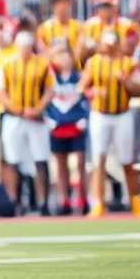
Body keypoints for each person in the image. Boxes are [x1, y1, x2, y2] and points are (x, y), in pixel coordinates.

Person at [80, 30, 140, 218]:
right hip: (100, 115)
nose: (108, 49)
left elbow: (138, 90)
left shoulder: (128, 64)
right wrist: (94, 92)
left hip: (122, 114)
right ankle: (98, 203)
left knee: (127, 161)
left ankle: (135, 202)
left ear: (118, 45)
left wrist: (125, 82)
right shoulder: (94, 62)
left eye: (111, 45)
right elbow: (82, 86)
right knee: (99, 160)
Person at [0, 31, 54, 215]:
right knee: (12, 160)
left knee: (40, 159)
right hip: (14, 117)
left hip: (36, 118)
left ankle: (43, 202)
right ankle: (13, 201)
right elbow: (1, 92)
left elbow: (50, 89)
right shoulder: (7, 64)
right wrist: (18, 110)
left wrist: (37, 109)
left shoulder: (42, 65)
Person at [47, 41, 88, 216]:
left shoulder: (79, 77)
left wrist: (84, 118)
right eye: (59, 55)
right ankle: (64, 200)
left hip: (76, 125)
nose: (63, 59)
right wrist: (49, 119)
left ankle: (83, 199)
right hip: (58, 125)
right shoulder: (50, 78)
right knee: (61, 165)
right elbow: (46, 99)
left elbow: (86, 98)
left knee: (80, 163)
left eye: (66, 54)